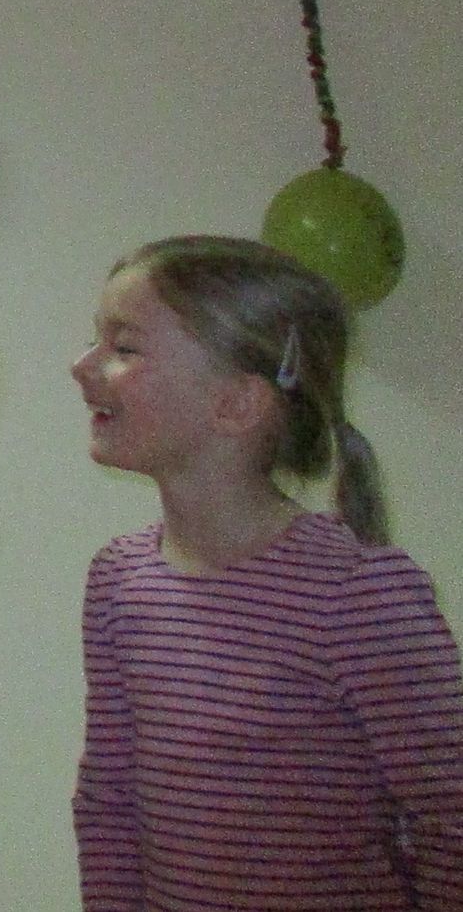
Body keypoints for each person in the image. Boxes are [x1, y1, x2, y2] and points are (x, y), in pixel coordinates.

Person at [71, 234, 461, 911]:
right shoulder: (120, 580)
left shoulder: (358, 591)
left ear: (236, 405)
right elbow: (108, 801)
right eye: (94, 340)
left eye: (124, 347)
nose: (81, 366)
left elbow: (450, 815)